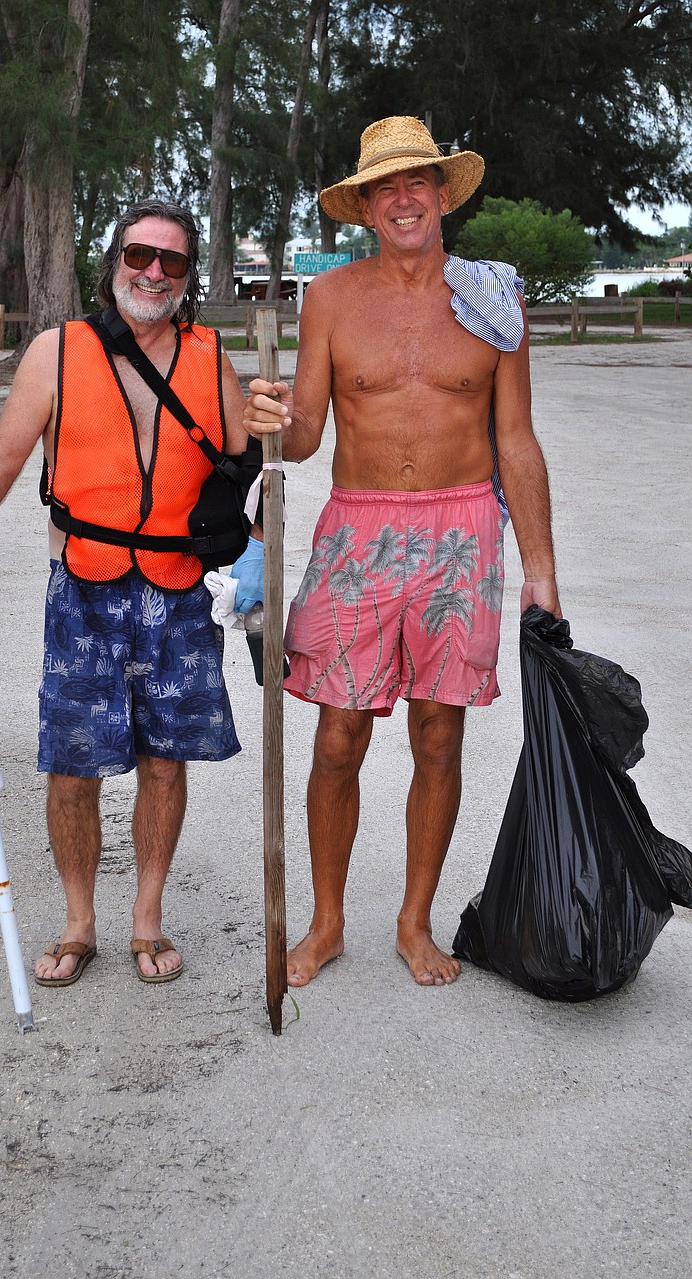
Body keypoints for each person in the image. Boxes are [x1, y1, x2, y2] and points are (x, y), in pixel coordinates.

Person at [245, 116, 560, 989]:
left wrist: (540, 569)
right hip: (358, 532)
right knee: (337, 735)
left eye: (417, 181)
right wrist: (269, 416)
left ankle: (414, 920)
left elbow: (518, 440)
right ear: (367, 209)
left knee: (437, 734)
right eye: (385, 187)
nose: (403, 198)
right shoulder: (332, 300)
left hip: (462, 535)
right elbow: (306, 434)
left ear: (441, 193)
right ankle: (327, 919)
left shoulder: (492, 300)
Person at [0, 199, 265, 987]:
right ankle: (80, 921)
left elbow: (256, 467)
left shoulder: (211, 361)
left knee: (165, 765)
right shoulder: (57, 351)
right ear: (113, 263)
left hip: (180, 593)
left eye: (172, 263)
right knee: (73, 769)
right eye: (140, 256)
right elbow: (7, 450)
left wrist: (259, 548)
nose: (154, 273)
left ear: (186, 279)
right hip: (84, 585)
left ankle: (147, 917)